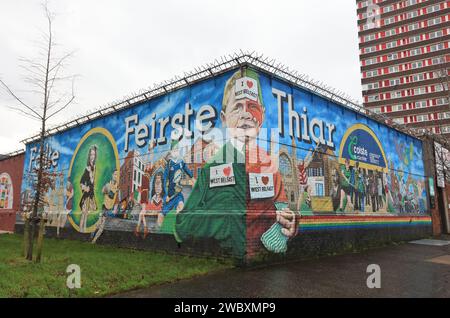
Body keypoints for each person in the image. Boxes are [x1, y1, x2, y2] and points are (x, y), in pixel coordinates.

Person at [174, 68, 297, 259]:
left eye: (252, 106)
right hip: (225, 259)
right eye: (237, 107)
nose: (246, 114)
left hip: (266, 260)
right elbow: (185, 224)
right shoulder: (212, 168)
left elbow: (284, 210)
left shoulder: (270, 166)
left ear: (262, 116)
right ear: (224, 118)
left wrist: (291, 223)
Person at [160, 140, 195, 229]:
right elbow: (164, 180)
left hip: (178, 193)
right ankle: (160, 229)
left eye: (177, 150)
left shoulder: (181, 162)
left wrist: (192, 177)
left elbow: (186, 169)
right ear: (171, 152)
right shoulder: (169, 164)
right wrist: (166, 195)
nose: (176, 152)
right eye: (174, 150)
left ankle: (178, 229)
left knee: (181, 207)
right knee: (162, 214)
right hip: (170, 195)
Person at [91, 170, 119, 244]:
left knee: (101, 227)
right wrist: (106, 190)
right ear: (112, 175)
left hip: (109, 208)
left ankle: (93, 241)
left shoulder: (117, 187)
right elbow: (103, 191)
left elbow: (116, 200)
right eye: (115, 174)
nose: (116, 176)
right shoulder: (108, 184)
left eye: (117, 175)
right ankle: (92, 236)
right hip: (104, 207)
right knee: (98, 224)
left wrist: (115, 208)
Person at [135, 172, 164, 238]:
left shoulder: (145, 180)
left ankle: (140, 229)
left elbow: (144, 188)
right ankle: (142, 229)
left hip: (144, 195)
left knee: (142, 212)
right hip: (145, 194)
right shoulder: (148, 181)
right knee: (142, 213)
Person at [79, 145, 97, 233]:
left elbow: (93, 182)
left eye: (94, 155)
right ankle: (81, 230)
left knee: (87, 213)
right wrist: (84, 187)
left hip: (91, 193)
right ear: (89, 156)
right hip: (87, 193)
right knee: (84, 213)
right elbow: (81, 181)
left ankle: (84, 230)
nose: (92, 157)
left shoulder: (94, 167)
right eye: (91, 155)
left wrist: (92, 177)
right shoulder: (87, 168)